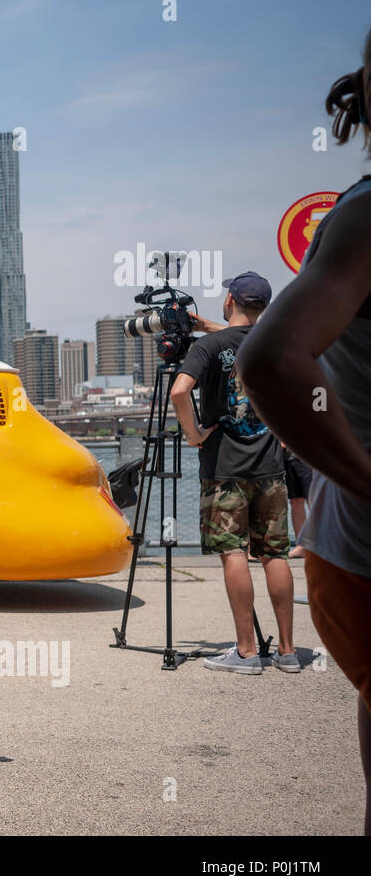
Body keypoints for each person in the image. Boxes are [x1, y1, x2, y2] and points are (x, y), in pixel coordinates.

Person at [237, 27, 371, 834]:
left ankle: (263, 649)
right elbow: (275, 362)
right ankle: (266, 649)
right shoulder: (363, 220)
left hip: (336, 534)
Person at [171, 272, 296, 674]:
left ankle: (246, 652)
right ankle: (289, 652)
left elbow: (179, 391)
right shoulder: (275, 345)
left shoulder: (209, 347)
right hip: (270, 468)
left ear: (229, 301)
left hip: (224, 468)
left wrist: (193, 435)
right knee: (275, 555)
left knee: (233, 553)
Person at [282, 448, 313, 557]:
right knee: (295, 501)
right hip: (287, 457)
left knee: (314, 500)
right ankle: (302, 545)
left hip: (307, 457)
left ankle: (324, 544)